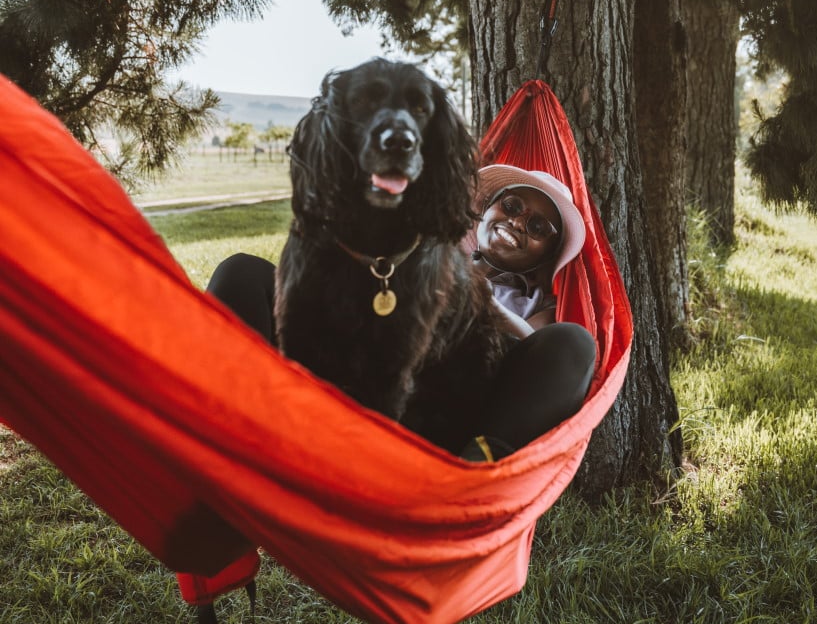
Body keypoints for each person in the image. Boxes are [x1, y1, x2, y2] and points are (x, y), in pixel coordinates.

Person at [205, 164, 595, 462]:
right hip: (357, 382)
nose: (517, 221)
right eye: (511, 206)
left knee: (576, 342)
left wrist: (477, 295)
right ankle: (233, 423)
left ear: (547, 253)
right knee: (242, 272)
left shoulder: (539, 305)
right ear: (487, 210)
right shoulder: (427, 247)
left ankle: (481, 463)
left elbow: (539, 350)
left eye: (538, 226)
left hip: (451, 413)